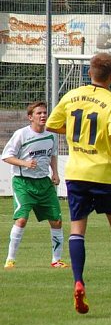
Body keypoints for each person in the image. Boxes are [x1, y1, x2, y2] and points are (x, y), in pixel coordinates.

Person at [46, 52, 111, 314]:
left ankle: (78, 281)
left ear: (90, 72)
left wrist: (77, 136)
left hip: (76, 172)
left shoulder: (72, 96)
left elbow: (53, 125)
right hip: (103, 173)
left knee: (78, 229)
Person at [2, 101, 67, 269]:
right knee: (22, 220)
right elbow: (6, 156)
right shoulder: (21, 134)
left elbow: (52, 155)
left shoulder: (51, 134)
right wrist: (24, 163)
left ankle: (56, 260)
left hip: (44, 183)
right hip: (23, 183)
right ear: (30, 117)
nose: (43, 115)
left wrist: (55, 173)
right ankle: (10, 259)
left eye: (45, 112)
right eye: (39, 113)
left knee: (57, 221)